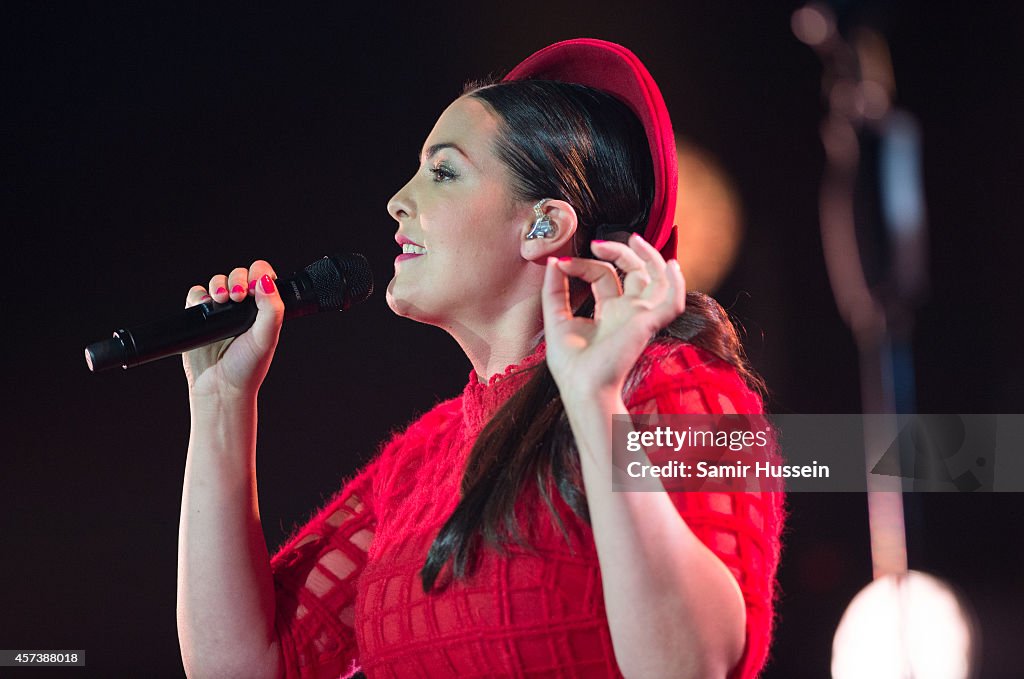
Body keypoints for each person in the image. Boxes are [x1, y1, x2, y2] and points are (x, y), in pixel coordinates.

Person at [176, 39, 785, 679]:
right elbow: (240, 668)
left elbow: (690, 668)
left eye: (443, 172)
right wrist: (220, 402)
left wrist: (596, 407)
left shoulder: (673, 389)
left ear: (543, 226)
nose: (397, 201)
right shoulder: (419, 459)